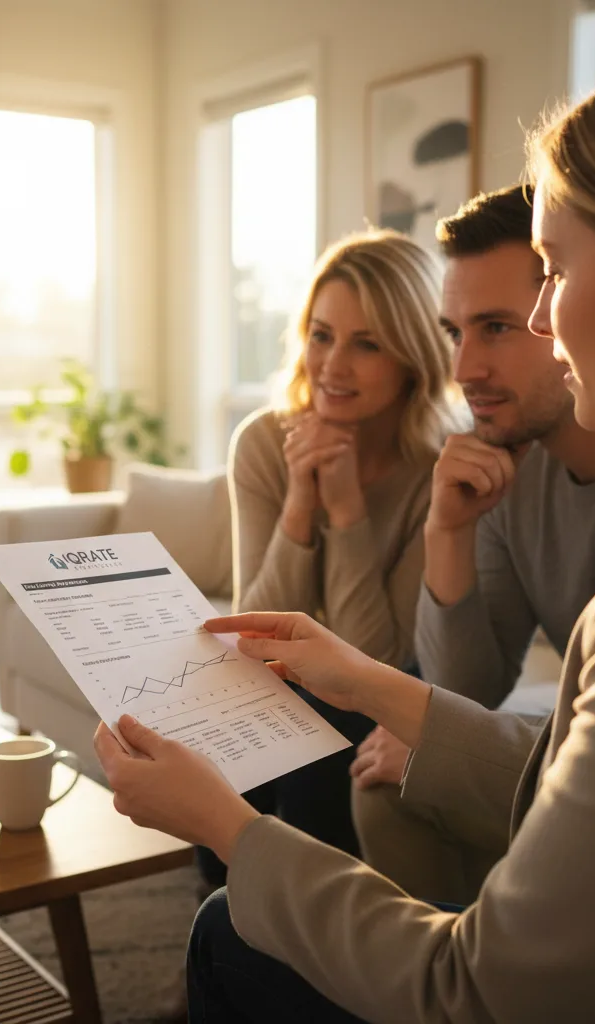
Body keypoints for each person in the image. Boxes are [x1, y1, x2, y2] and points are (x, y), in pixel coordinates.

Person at [95, 48, 595, 1022]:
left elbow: (478, 989)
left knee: (228, 930)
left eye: (554, 271)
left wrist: (230, 827)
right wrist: (362, 676)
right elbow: (584, 766)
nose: (542, 321)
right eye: (460, 330)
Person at [348, 186, 595, 903]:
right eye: (455, 332)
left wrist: (450, 747)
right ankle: (454, 968)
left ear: (563, 307)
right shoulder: (503, 463)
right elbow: (464, 693)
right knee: (384, 779)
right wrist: (448, 531)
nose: (464, 369)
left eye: (495, 328)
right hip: (577, 762)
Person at [196, 228, 455, 886]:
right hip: (278, 672)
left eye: (366, 344)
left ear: (412, 357)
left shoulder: (436, 470)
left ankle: (317, 917)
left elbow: (374, 661)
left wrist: (346, 510)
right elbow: (250, 631)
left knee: (324, 744)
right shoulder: (263, 442)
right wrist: (299, 503)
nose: (332, 366)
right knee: (222, 730)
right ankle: (233, 904)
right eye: (321, 335)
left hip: (380, 685)